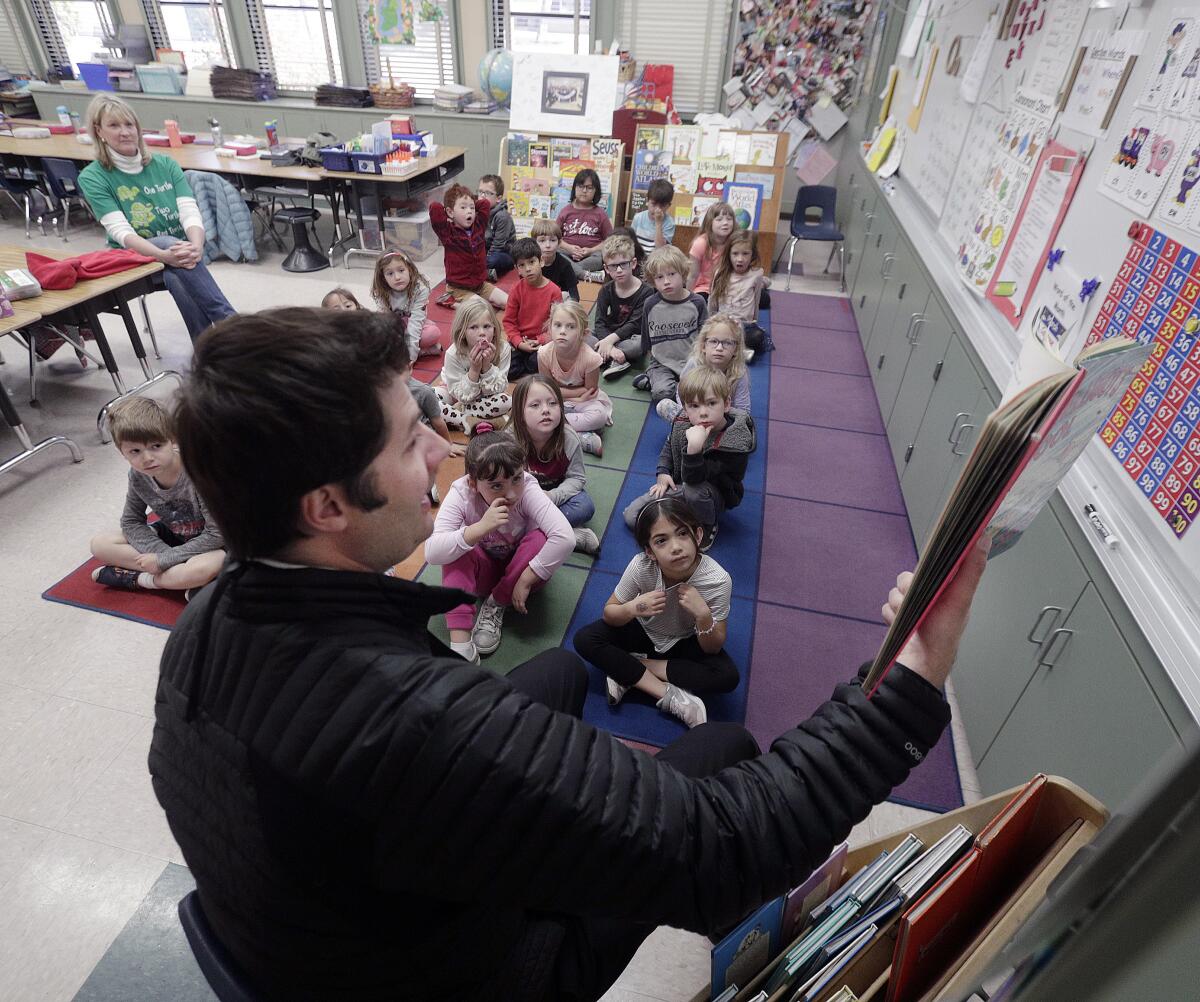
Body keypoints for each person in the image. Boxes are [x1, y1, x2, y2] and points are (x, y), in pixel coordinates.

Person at [150, 302, 990, 1002]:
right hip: (478, 972)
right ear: (327, 505)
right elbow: (733, 844)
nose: (442, 453)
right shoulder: (419, 724)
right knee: (724, 749)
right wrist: (915, 670)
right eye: (410, 442)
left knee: (554, 668)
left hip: (324, 931)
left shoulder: (204, 625)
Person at [78, 94, 235, 343]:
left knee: (177, 275)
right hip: (134, 260)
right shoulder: (93, 177)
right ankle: (232, 324)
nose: (125, 132)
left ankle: (208, 350)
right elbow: (122, 233)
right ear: (99, 131)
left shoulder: (165, 164)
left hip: (182, 257)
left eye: (129, 125)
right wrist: (163, 255)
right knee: (166, 243)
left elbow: (189, 211)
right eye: (114, 126)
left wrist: (196, 246)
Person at [574, 497, 738, 728]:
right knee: (584, 639)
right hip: (643, 632)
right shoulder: (641, 566)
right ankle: (668, 695)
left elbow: (713, 647)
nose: (676, 547)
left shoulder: (717, 580)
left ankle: (627, 669)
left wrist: (703, 616)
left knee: (727, 676)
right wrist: (634, 607)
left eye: (683, 534)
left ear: (698, 535)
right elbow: (609, 614)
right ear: (649, 551)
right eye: (662, 541)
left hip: (684, 640)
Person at [424, 431, 574, 662]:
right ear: (473, 483)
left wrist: (526, 579)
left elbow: (565, 538)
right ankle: (461, 645)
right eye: (496, 486)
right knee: (458, 548)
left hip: (521, 576)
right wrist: (481, 527)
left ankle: (496, 605)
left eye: (516, 478)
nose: (511, 493)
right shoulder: (462, 492)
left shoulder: (529, 489)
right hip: (484, 573)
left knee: (541, 538)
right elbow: (432, 552)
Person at [89, 396, 225, 594]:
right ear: (122, 453)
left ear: (173, 440)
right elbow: (131, 522)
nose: (147, 458)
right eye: (135, 451)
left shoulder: (199, 471)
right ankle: (182, 580)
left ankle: (141, 579)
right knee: (100, 544)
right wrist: (165, 556)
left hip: (213, 542)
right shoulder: (138, 475)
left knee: (208, 565)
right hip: (176, 536)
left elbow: (217, 534)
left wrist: (163, 561)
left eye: (156, 446)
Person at [624, 367, 755, 551]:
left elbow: (696, 480)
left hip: (713, 493)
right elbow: (669, 446)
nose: (703, 413)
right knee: (632, 516)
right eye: (694, 405)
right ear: (685, 407)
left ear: (726, 404)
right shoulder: (683, 422)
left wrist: (694, 449)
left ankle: (708, 525)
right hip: (681, 484)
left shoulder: (734, 442)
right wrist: (663, 472)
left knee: (694, 491)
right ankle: (682, 513)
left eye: (711, 403)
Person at [509, 374, 601, 556]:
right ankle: (567, 536)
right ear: (519, 414)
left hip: (555, 494)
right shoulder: (510, 440)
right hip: (523, 498)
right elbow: (504, 482)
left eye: (552, 403)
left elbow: (577, 478)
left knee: (584, 506)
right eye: (535, 405)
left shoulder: (569, 438)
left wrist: (552, 496)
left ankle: (531, 534)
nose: (546, 410)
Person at [632, 244, 707, 405]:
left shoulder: (698, 302)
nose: (666, 281)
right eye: (659, 277)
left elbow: (705, 338)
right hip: (661, 362)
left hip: (691, 361)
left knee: (700, 393)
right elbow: (646, 339)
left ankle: (652, 382)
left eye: (672, 274)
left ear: (683, 273)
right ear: (653, 280)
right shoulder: (650, 304)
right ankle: (654, 378)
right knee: (662, 394)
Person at [538, 299, 610, 457]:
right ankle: (581, 437)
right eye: (557, 325)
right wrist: (575, 396)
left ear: (583, 333)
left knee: (599, 415)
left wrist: (577, 399)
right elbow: (547, 389)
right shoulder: (544, 353)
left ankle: (555, 431)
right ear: (549, 328)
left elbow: (590, 390)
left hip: (584, 401)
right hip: (556, 399)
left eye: (570, 327)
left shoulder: (591, 358)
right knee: (527, 411)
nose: (562, 331)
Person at [434, 294, 512, 433]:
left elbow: (499, 390)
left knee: (507, 401)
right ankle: (473, 420)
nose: (482, 333)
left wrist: (487, 368)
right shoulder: (453, 353)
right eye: (473, 327)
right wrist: (474, 371)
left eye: (487, 326)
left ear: (494, 329)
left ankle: (459, 417)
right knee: (429, 398)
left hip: (488, 397)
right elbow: (459, 395)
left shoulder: (503, 348)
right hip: (454, 393)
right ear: (462, 332)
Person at [657, 313, 750, 423]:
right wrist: (691, 414)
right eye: (713, 341)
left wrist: (719, 419)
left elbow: (743, 410)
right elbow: (681, 393)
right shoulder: (694, 364)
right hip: (694, 414)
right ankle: (683, 429)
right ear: (703, 345)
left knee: (744, 424)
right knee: (663, 405)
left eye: (727, 343)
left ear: (736, 349)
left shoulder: (738, 372)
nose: (719, 348)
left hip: (722, 419)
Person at [429, 183, 508, 310]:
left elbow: (485, 204)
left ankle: (466, 303)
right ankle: (451, 301)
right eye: (463, 208)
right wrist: (453, 206)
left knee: (509, 302)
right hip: (458, 288)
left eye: (472, 208)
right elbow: (435, 208)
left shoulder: (478, 226)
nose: (469, 211)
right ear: (450, 212)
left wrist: (467, 200)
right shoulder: (448, 232)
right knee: (482, 309)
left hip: (480, 285)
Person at [593, 232, 653, 381]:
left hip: (631, 337)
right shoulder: (606, 290)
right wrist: (608, 343)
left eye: (623, 264)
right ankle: (616, 357)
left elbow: (635, 324)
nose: (619, 270)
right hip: (609, 333)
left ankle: (604, 356)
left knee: (640, 344)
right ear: (606, 268)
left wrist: (608, 342)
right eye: (613, 266)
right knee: (582, 336)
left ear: (633, 263)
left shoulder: (646, 291)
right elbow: (599, 321)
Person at [503, 237, 561, 379]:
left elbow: (557, 325)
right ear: (517, 269)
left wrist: (540, 340)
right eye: (522, 265)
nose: (528, 269)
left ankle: (527, 364)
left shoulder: (554, 291)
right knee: (508, 372)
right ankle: (522, 363)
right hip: (520, 342)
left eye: (531, 262)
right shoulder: (516, 289)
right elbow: (508, 322)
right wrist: (519, 342)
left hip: (542, 342)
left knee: (536, 362)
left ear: (541, 261)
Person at [709, 230, 771, 360]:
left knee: (757, 336)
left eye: (745, 254)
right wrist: (710, 321)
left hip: (744, 325)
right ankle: (737, 350)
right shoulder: (720, 273)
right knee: (714, 333)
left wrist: (755, 322)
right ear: (728, 254)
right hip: (723, 323)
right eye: (735, 254)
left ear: (753, 255)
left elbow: (756, 300)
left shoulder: (757, 274)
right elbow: (713, 300)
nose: (740, 259)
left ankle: (732, 348)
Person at [371, 249, 443, 361]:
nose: (397, 277)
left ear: (409, 269)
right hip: (396, 329)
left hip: (417, 327)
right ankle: (424, 351)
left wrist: (411, 358)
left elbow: (416, 322)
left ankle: (407, 352)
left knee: (432, 334)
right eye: (390, 273)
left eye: (401, 270)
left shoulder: (420, 289)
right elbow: (385, 322)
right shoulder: (381, 292)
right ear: (383, 278)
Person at [555, 168, 613, 280]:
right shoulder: (565, 211)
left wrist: (590, 250)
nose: (584, 190)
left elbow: (609, 241)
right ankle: (584, 275)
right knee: (556, 254)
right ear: (574, 188)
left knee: (600, 258)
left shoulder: (601, 214)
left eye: (589, 187)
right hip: (567, 253)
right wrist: (569, 248)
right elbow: (554, 237)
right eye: (581, 186)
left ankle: (570, 272)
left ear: (596, 191)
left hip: (592, 255)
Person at [687, 201, 736, 297]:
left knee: (764, 299)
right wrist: (686, 298)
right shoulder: (700, 243)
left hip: (728, 287)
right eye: (719, 219)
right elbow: (693, 275)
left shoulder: (735, 241)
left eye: (729, 219)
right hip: (705, 288)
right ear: (710, 223)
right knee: (702, 303)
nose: (725, 223)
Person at [531, 217, 580, 301]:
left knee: (565, 296)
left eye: (552, 240)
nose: (548, 245)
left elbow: (575, 296)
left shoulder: (565, 265)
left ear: (559, 243)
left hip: (557, 303)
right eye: (542, 241)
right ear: (534, 242)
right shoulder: (529, 264)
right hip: (536, 300)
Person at [479, 174, 515, 278]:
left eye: (487, 193)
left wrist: (481, 261)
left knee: (492, 260)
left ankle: (484, 270)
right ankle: (486, 271)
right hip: (486, 250)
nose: (482, 196)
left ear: (498, 198)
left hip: (503, 253)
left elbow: (498, 245)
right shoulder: (477, 211)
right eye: (480, 191)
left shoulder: (502, 216)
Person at [631, 178, 676, 256]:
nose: (657, 210)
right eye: (654, 204)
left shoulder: (669, 223)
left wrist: (658, 223)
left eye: (662, 206)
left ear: (668, 206)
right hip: (637, 259)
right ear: (647, 201)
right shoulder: (638, 218)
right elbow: (630, 242)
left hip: (657, 262)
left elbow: (661, 250)